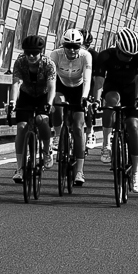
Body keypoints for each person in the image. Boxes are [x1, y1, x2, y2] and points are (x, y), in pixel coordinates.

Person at [91, 30, 138, 192]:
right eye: (126, 55)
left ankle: (136, 172)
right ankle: (106, 144)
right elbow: (98, 82)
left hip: (132, 90)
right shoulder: (105, 56)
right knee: (110, 102)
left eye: (132, 55)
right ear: (118, 49)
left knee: (133, 126)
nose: (129, 58)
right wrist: (97, 101)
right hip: (113, 87)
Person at [9, 32, 55, 183]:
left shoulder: (49, 64)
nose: (31, 56)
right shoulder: (20, 62)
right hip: (27, 96)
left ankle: (47, 150)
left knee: (42, 120)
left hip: (43, 96)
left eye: (35, 53)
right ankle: (20, 168)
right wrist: (12, 103)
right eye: (28, 53)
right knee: (22, 127)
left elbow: (51, 86)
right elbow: (16, 83)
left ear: (40, 53)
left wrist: (49, 103)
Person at [49, 28, 92, 186]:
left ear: (80, 46)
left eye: (76, 46)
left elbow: (87, 79)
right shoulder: (55, 55)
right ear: (63, 45)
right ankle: (58, 136)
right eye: (69, 46)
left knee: (79, 128)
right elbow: (51, 79)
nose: (72, 50)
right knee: (57, 103)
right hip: (61, 86)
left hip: (79, 89)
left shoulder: (86, 56)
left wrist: (85, 97)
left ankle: (79, 171)